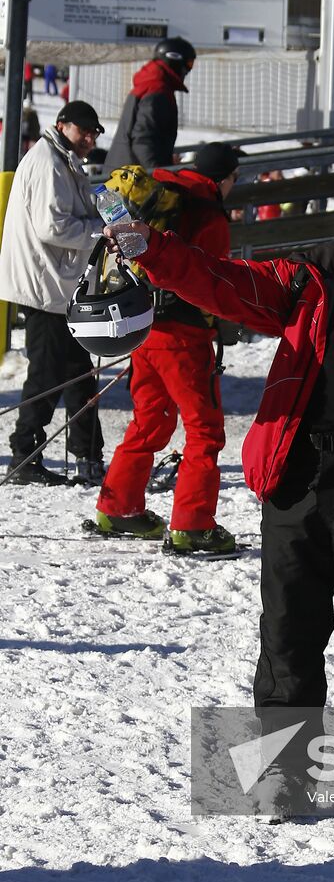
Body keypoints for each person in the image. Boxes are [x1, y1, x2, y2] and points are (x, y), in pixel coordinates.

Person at [100, 151, 334, 818]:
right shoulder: (311, 277)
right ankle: (285, 775)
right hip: (296, 479)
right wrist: (154, 251)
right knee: (287, 635)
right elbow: (224, 283)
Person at [93, 143, 243, 553]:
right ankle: (193, 526)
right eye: (234, 178)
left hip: (145, 328)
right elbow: (211, 280)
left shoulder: (163, 190)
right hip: (184, 337)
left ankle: (117, 508)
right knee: (204, 431)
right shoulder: (208, 214)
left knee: (150, 420)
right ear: (225, 178)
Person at [0, 101, 106, 485]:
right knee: (46, 374)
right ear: (62, 125)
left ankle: (88, 453)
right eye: (85, 130)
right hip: (44, 286)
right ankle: (23, 455)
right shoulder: (47, 162)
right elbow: (54, 227)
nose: (91, 137)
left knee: (79, 370)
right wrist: (101, 231)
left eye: (95, 131)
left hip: (60, 285)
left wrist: (103, 213)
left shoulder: (64, 159)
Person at [104, 37, 196, 172]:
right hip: (132, 181)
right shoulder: (158, 91)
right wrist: (159, 174)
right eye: (189, 63)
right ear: (175, 60)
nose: (189, 70)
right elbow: (143, 141)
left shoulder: (151, 85)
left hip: (125, 171)